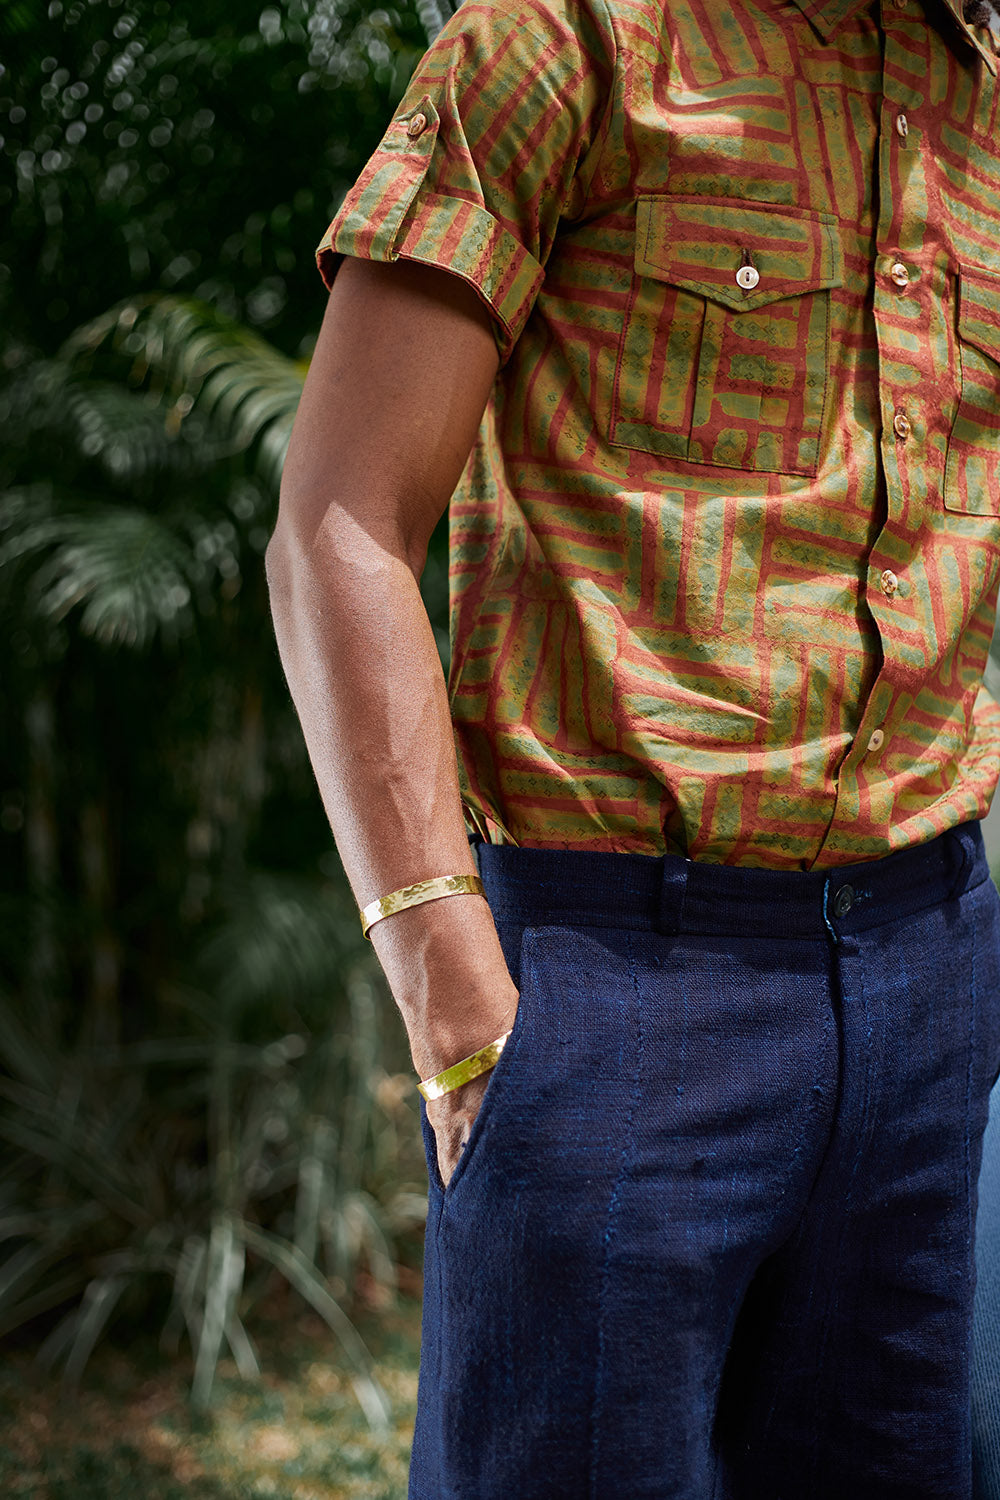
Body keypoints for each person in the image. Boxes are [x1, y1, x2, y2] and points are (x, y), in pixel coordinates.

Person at [265, 0, 1000, 1494]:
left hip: (936, 971)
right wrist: (445, 976)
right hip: (618, 987)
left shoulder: (981, 95)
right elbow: (339, 523)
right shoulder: (566, 37)